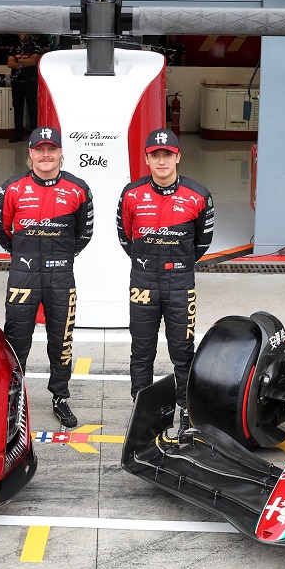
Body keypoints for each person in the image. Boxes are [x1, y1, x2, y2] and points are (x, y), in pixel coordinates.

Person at [0, 127, 94, 428]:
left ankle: (60, 397)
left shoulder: (78, 189)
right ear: (30, 153)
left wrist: (59, 257)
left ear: (61, 152)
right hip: (23, 274)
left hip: (61, 275)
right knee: (16, 340)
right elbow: (3, 232)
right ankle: (13, 399)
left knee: (61, 340)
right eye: (39, 149)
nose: (46, 155)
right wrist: (28, 257)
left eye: (51, 149)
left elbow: (83, 234)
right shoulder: (11, 188)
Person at [116, 129, 215, 429]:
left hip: (180, 283)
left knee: (182, 351)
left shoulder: (198, 196)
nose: (162, 161)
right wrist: (149, 264)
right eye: (155, 155)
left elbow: (202, 242)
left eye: (167, 155)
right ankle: (141, 407)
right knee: (141, 349)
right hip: (143, 282)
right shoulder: (131, 194)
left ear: (178, 157)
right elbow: (125, 238)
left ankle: (186, 410)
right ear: (147, 159)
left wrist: (178, 265)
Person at [8, 34, 45, 143]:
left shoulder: (35, 47)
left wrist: (18, 61)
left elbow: (33, 62)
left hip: (31, 82)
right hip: (17, 82)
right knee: (17, 108)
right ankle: (18, 133)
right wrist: (25, 62)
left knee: (33, 108)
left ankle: (34, 134)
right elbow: (9, 63)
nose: (23, 35)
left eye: (25, 33)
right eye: (21, 33)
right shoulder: (14, 48)